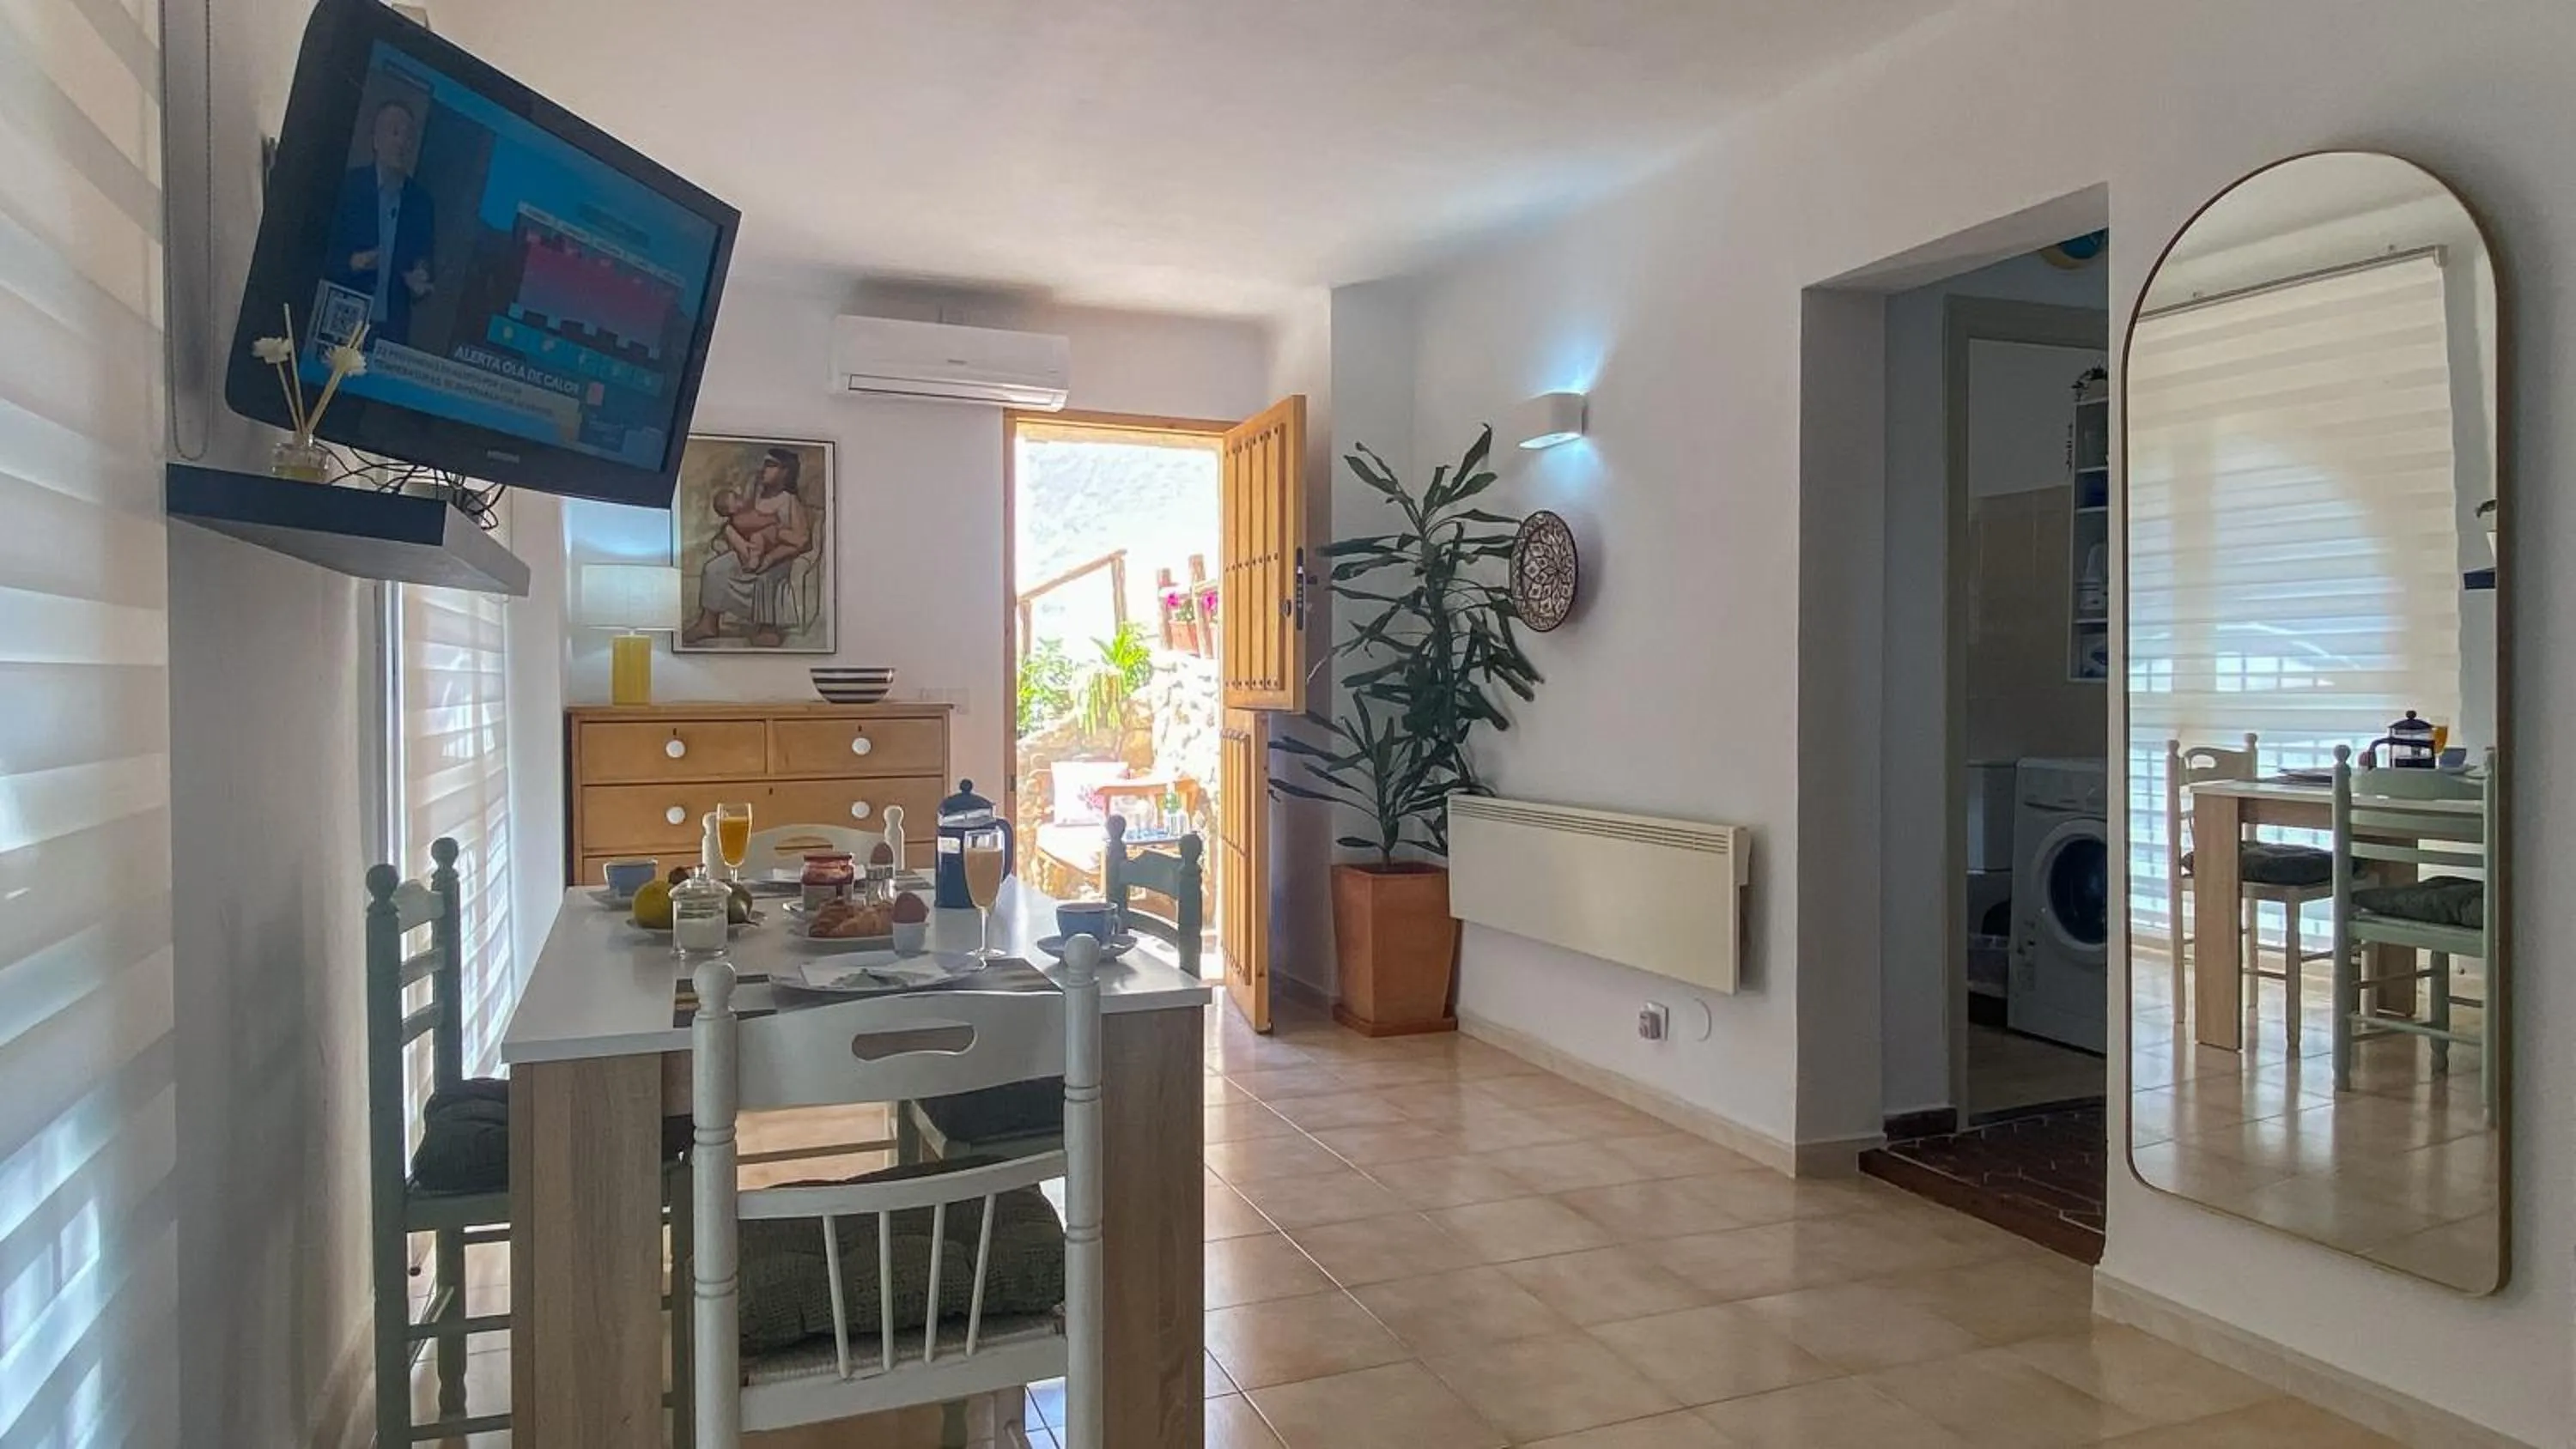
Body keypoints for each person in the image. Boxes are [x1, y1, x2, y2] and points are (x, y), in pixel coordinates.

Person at [324, 99, 435, 345]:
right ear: (375, 139)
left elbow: (425, 263)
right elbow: (316, 252)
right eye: (394, 132)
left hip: (391, 334)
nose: (401, 142)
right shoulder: (348, 187)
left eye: (408, 136)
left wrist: (421, 278)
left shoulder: (421, 204)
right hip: (342, 318)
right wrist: (352, 262)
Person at [685, 448, 815, 648]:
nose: (764, 469)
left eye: (771, 465)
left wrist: (774, 541)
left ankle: (767, 626)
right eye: (765, 464)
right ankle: (708, 623)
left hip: (778, 554)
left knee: (766, 575)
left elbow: (802, 540)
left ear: (785, 471)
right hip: (750, 548)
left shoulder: (789, 501)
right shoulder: (754, 491)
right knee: (714, 568)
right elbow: (738, 515)